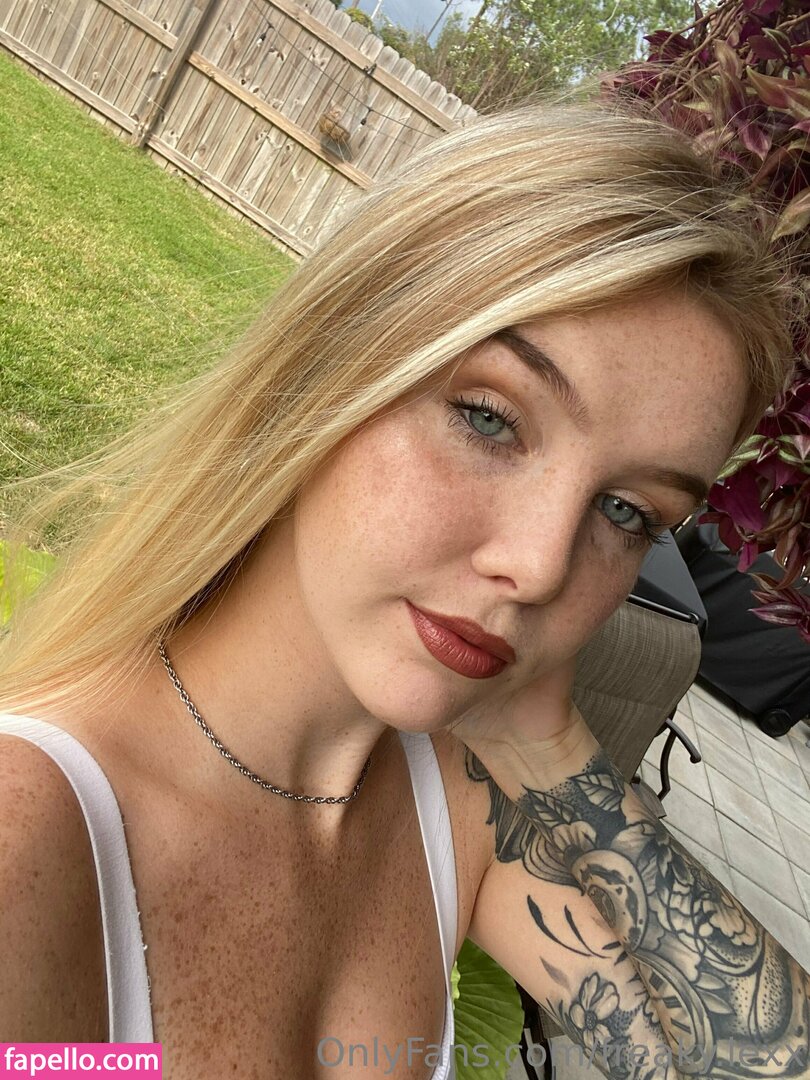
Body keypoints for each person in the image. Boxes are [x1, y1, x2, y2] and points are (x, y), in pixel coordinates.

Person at [1, 99, 808, 1080]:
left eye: (627, 511)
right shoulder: (31, 846)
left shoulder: (454, 802)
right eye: (489, 418)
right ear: (330, 363)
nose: (541, 567)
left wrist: (546, 741)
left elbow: (755, 1059)